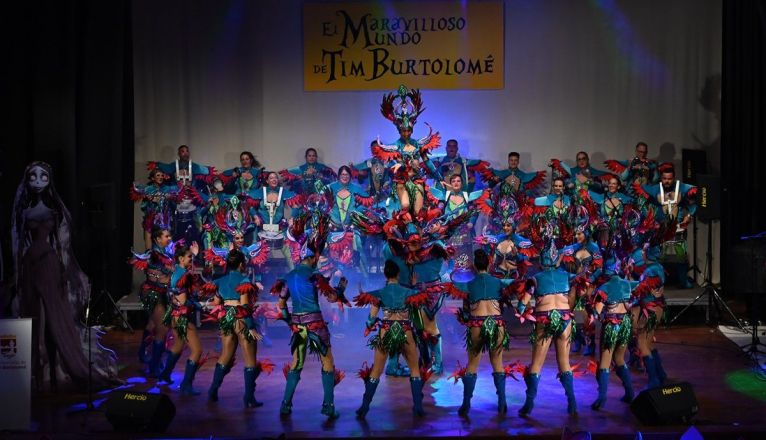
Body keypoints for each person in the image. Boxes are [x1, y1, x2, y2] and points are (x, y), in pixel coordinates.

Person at [12, 161, 120, 389]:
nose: (38, 181)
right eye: (33, 177)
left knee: (55, 317)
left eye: (43, 176)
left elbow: (63, 245)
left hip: (49, 263)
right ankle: (39, 371)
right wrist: (17, 273)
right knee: (35, 316)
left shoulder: (55, 210)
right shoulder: (23, 211)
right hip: (30, 265)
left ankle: (57, 367)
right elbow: (19, 243)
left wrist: (64, 272)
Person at [273, 241, 350, 419]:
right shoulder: (315, 275)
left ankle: (285, 405)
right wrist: (340, 289)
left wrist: (289, 321)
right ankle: (328, 407)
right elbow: (331, 298)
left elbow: (281, 304)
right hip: (315, 322)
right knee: (327, 361)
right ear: (312, 258)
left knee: (296, 363)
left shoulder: (289, 276)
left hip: (297, 324)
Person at [353, 259, 427, 418]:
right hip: (405, 330)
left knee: (376, 371)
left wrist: (369, 325)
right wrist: (414, 286)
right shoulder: (408, 292)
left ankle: (364, 408)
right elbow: (418, 314)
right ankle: (418, 407)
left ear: (385, 275)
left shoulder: (379, 293)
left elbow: (371, 319)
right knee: (414, 369)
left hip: (386, 331)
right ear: (398, 274)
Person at [516, 233, 578, 416]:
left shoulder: (535, 279)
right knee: (564, 362)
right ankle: (572, 404)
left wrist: (524, 310)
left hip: (544, 318)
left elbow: (522, 304)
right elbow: (574, 297)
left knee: (536, 364)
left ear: (542, 260)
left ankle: (528, 405)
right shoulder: (568, 277)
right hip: (565, 318)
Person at [452, 249, 514, 415]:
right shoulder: (499, 282)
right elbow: (515, 284)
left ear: (474, 266)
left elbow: (452, 284)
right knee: (498, 363)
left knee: (472, 364)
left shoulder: (468, 284)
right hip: (497, 323)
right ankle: (502, 403)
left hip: (477, 323)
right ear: (489, 264)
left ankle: (466, 405)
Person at [205, 249, 265, 407]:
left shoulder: (220, 280)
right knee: (250, 359)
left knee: (225, 355)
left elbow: (217, 303)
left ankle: (212, 391)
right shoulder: (244, 280)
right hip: (241, 320)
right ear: (241, 264)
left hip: (226, 319)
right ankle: (249, 399)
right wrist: (251, 327)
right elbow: (244, 306)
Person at [373, 85, 441, 215]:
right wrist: (400, 165)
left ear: (412, 130)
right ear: (399, 131)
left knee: (418, 211)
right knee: (405, 206)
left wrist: (439, 177)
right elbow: (397, 164)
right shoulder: (396, 147)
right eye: (403, 131)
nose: (406, 133)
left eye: (408, 130)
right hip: (402, 181)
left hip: (417, 179)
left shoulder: (418, 144)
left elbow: (427, 161)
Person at [157, 243, 205, 395]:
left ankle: (165, 374)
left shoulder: (177, 270)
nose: (191, 260)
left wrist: (193, 254)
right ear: (180, 259)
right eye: (189, 257)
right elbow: (183, 302)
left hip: (174, 316)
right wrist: (199, 305)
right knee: (197, 351)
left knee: (178, 345)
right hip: (182, 318)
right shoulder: (183, 276)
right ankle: (186, 385)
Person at [130, 227, 174, 377]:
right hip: (152, 293)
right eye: (166, 236)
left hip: (159, 292)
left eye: (169, 236)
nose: (169, 238)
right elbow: (163, 275)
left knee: (152, 323)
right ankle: (154, 365)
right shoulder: (154, 254)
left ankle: (143, 352)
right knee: (162, 328)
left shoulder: (164, 253)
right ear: (157, 239)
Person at [131, 169, 176, 249]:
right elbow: (138, 191)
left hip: (164, 219)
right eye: (158, 175)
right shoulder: (148, 189)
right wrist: (148, 199)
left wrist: (170, 197)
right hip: (151, 218)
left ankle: (166, 254)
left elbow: (178, 190)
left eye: (162, 175)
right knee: (149, 235)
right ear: (152, 178)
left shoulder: (167, 189)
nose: (160, 177)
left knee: (166, 239)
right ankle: (149, 254)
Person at [481, 152, 546, 197]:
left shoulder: (523, 175)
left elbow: (528, 192)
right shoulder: (502, 173)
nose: (513, 162)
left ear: (518, 162)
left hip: (518, 205)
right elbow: (491, 186)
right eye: (511, 160)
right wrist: (493, 180)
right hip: (503, 205)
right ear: (508, 161)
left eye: (515, 160)